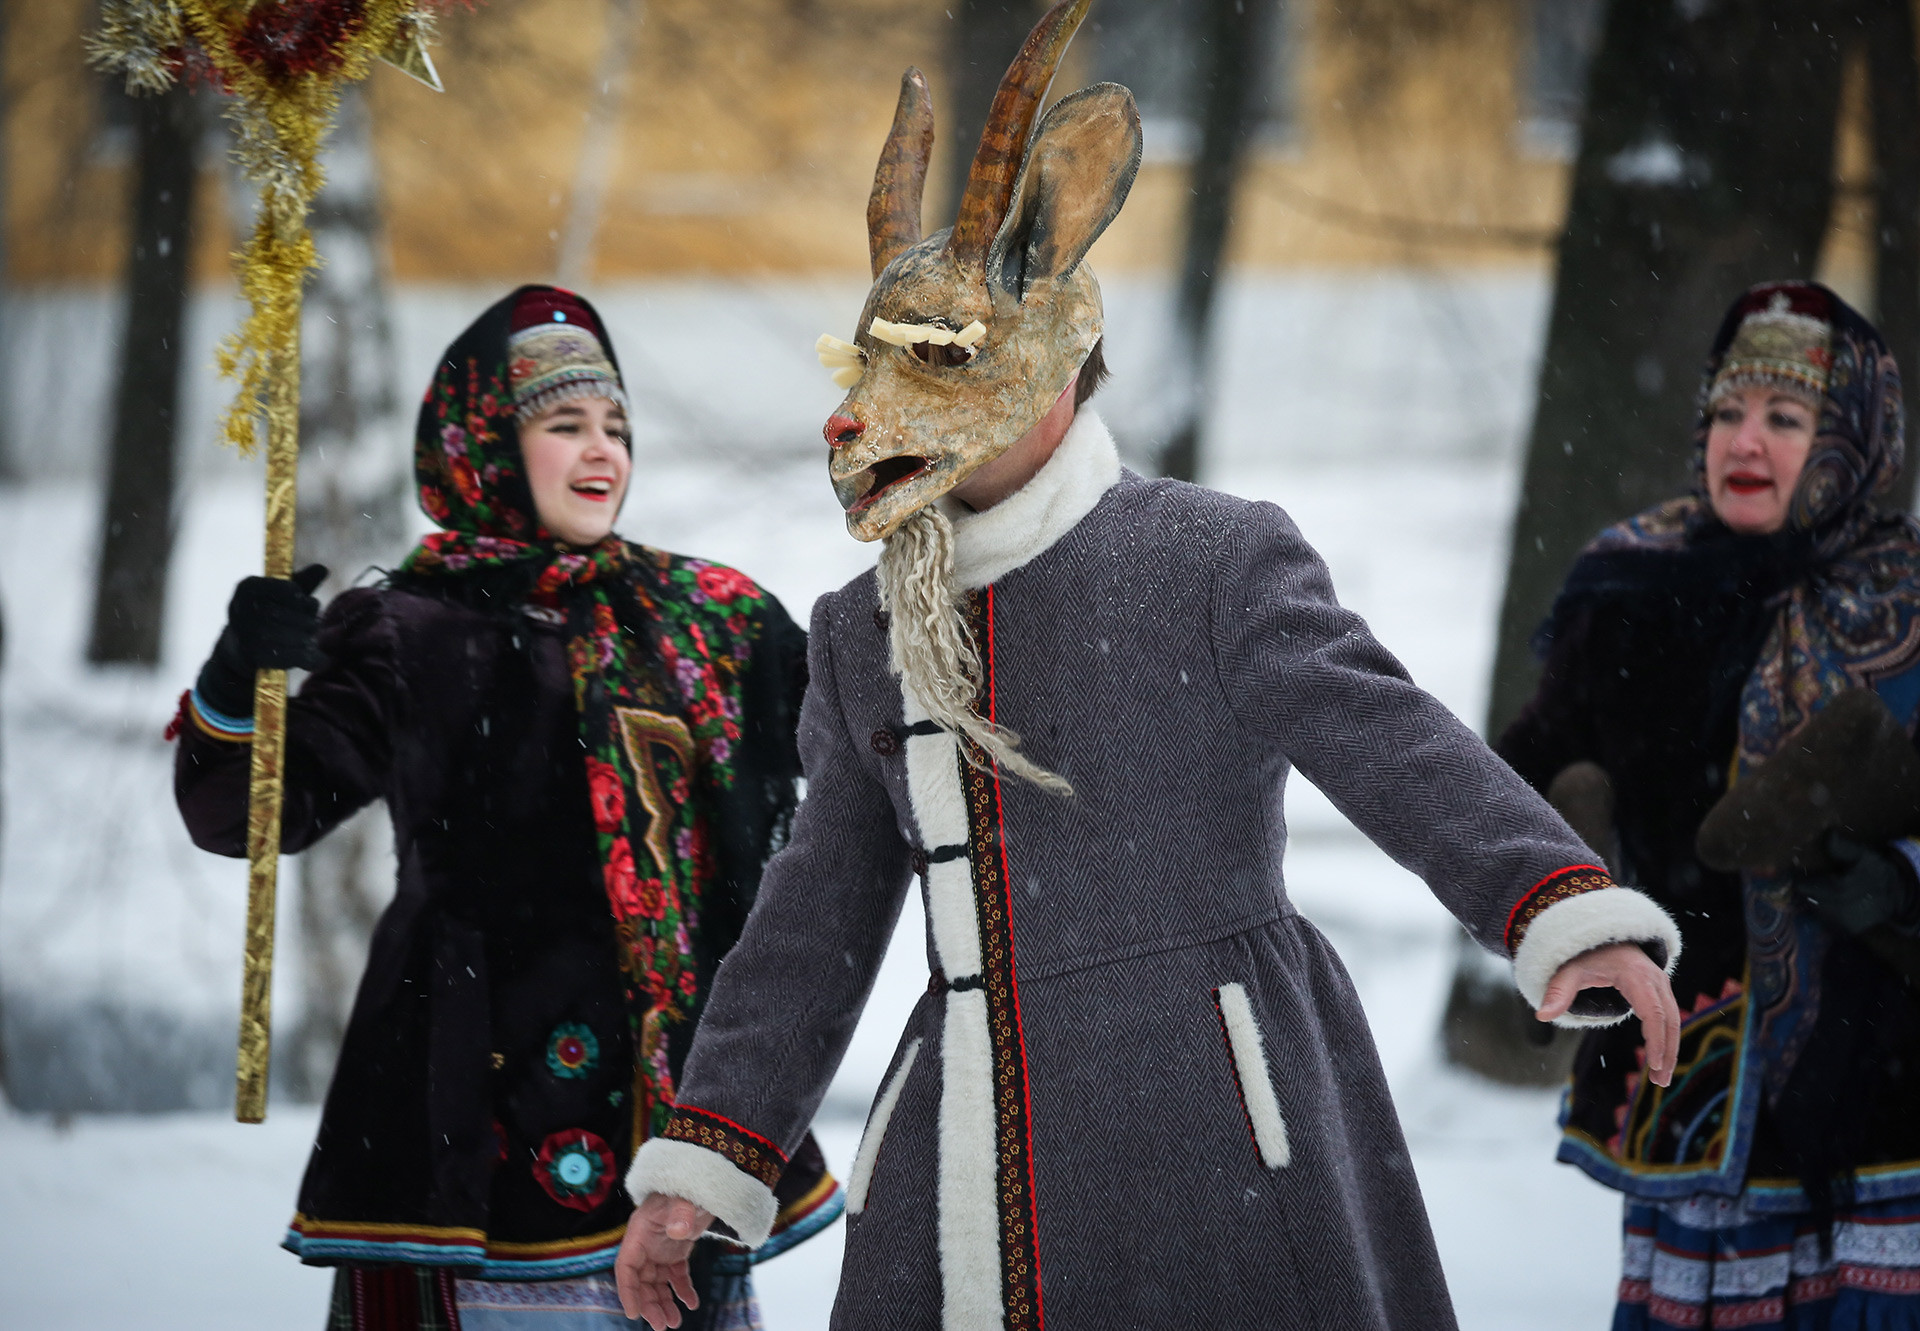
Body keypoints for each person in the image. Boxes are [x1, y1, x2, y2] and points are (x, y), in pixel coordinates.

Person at [613, 3, 1683, 1327]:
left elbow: (1393, 743)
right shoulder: (862, 631)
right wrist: (710, 1146)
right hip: (968, 1145)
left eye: (938, 362)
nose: (865, 417)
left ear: (1055, 361)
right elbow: (816, 913)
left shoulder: (1211, 560)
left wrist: (1550, 900)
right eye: (871, 366)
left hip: (1216, 1111)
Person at [171, 286, 842, 1330]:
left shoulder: (708, 616)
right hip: (476, 1120)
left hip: (675, 1138)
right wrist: (236, 680)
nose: (602, 450)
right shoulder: (411, 629)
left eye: (616, 426)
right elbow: (249, 816)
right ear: (483, 440)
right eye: (563, 424)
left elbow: (868, 728)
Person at [1497, 280, 1920, 1328]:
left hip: (1887, 1086)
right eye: (1729, 412)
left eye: (1786, 418)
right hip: (1685, 1076)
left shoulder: (1909, 597)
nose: (1747, 439)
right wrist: (1562, 881)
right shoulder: (1629, 581)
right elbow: (1511, 791)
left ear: (1850, 440)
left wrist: (1899, 880)